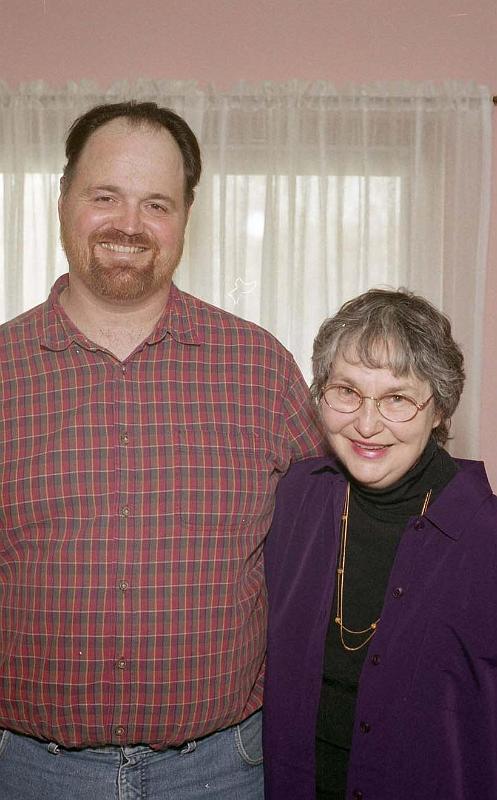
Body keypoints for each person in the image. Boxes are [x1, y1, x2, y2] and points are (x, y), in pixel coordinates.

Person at [0, 101, 324, 800]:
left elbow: (336, 537)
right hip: (28, 770)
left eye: (157, 203)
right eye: (105, 196)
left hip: (222, 770)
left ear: (185, 217)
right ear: (62, 201)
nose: (129, 224)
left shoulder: (260, 368)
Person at [263, 288, 497, 800]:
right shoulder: (295, 499)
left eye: (397, 398)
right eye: (346, 391)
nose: (366, 425)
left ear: (439, 409)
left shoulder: (485, 540)